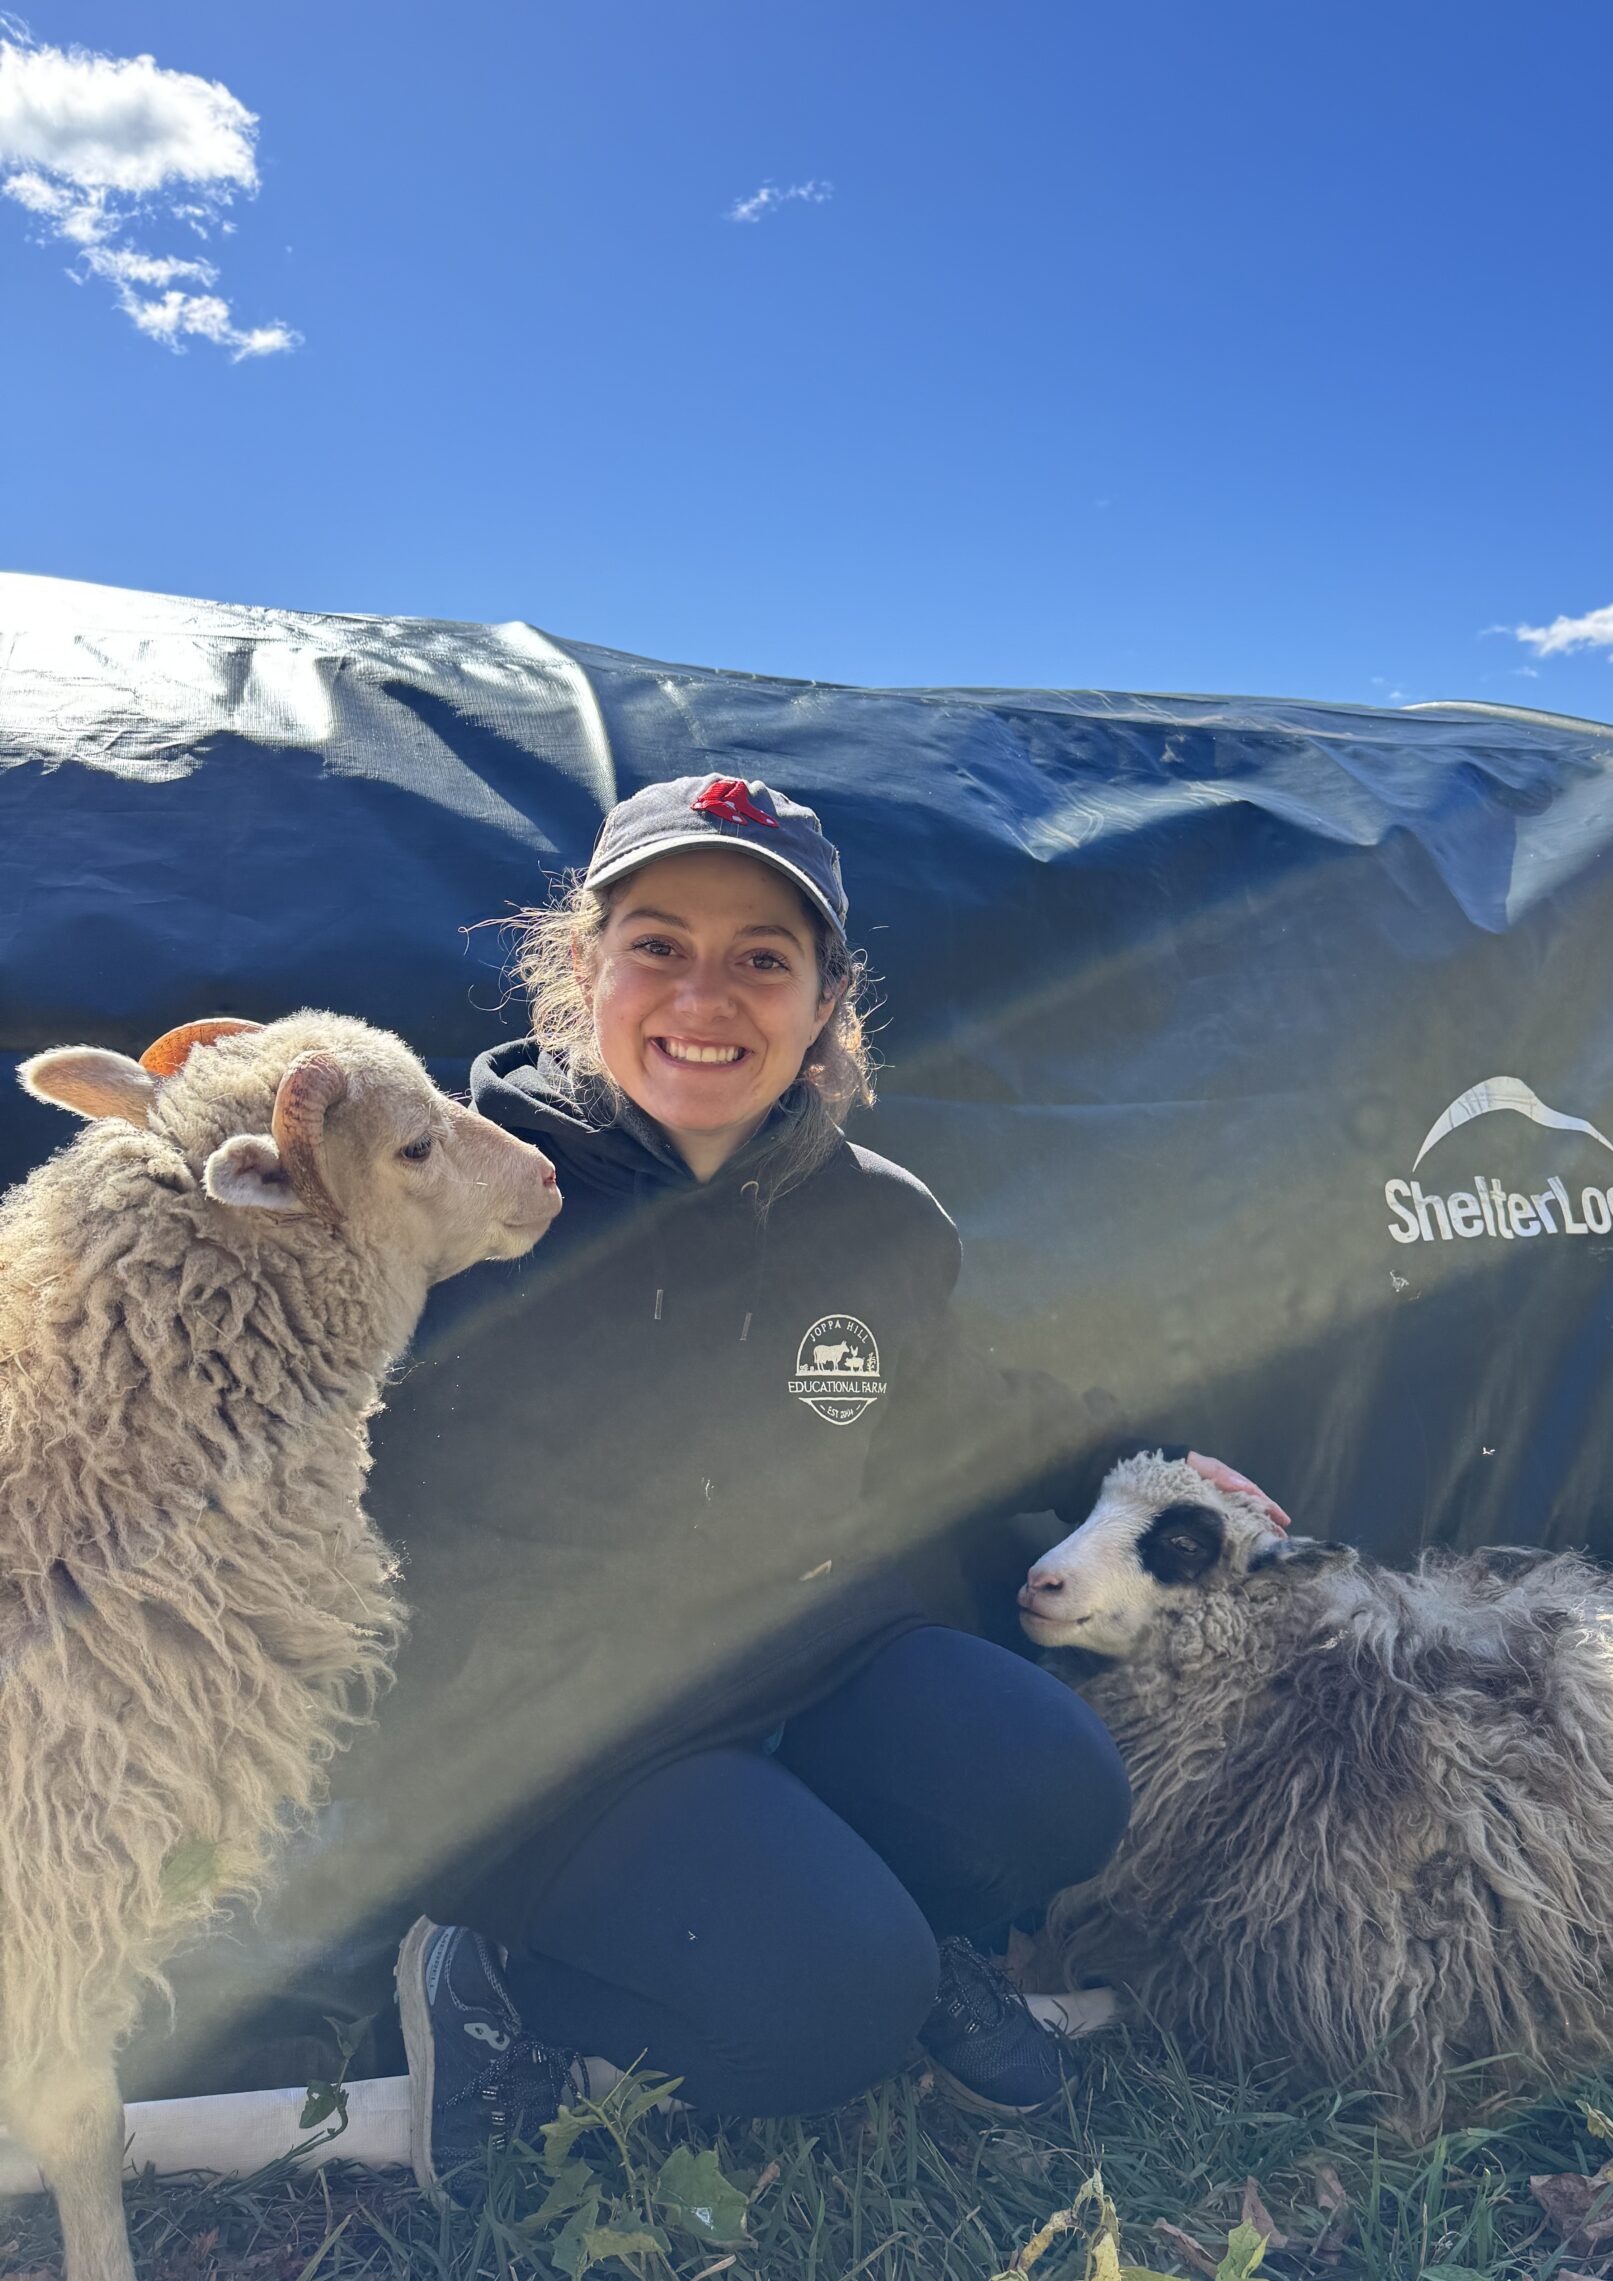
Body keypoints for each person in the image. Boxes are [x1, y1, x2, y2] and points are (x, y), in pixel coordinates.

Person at [376, 774, 1285, 2186]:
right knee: (822, 2025)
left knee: (1057, 1795)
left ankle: (907, 1947)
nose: (706, 995)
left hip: (797, 1648)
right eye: (658, 945)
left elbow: (955, 1412)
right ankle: (497, 1984)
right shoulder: (440, 1186)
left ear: (825, 1000)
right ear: (582, 966)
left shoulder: (879, 1219)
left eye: (762, 959)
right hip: (546, 1714)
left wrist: (1144, 1460)